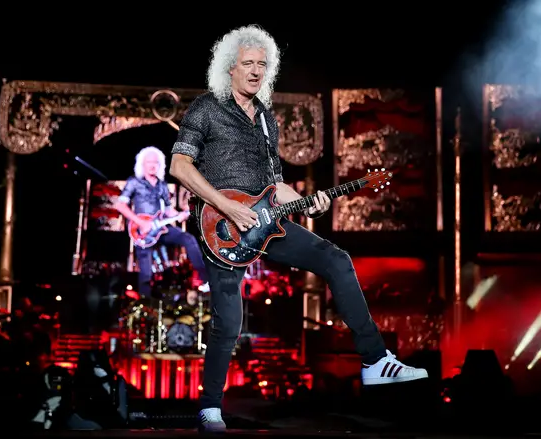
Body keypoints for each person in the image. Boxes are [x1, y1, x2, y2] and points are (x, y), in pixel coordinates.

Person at [170, 25, 428, 433]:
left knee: (335, 258)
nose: (256, 71)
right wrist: (226, 208)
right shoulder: (206, 108)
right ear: (230, 68)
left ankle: (375, 360)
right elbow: (180, 167)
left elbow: (278, 184)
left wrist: (313, 203)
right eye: (248, 64)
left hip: (266, 221)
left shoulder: (268, 120)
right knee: (229, 321)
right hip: (219, 225)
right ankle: (210, 408)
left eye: (262, 65)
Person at [115, 146, 208, 298]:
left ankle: (206, 280)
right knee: (146, 272)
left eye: (155, 162)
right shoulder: (134, 182)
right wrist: (140, 222)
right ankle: (145, 306)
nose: (152, 165)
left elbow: (169, 211)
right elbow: (119, 204)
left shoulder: (162, 185)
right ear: (142, 164)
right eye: (149, 162)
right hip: (141, 231)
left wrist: (180, 215)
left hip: (161, 228)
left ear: (160, 165)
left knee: (188, 239)